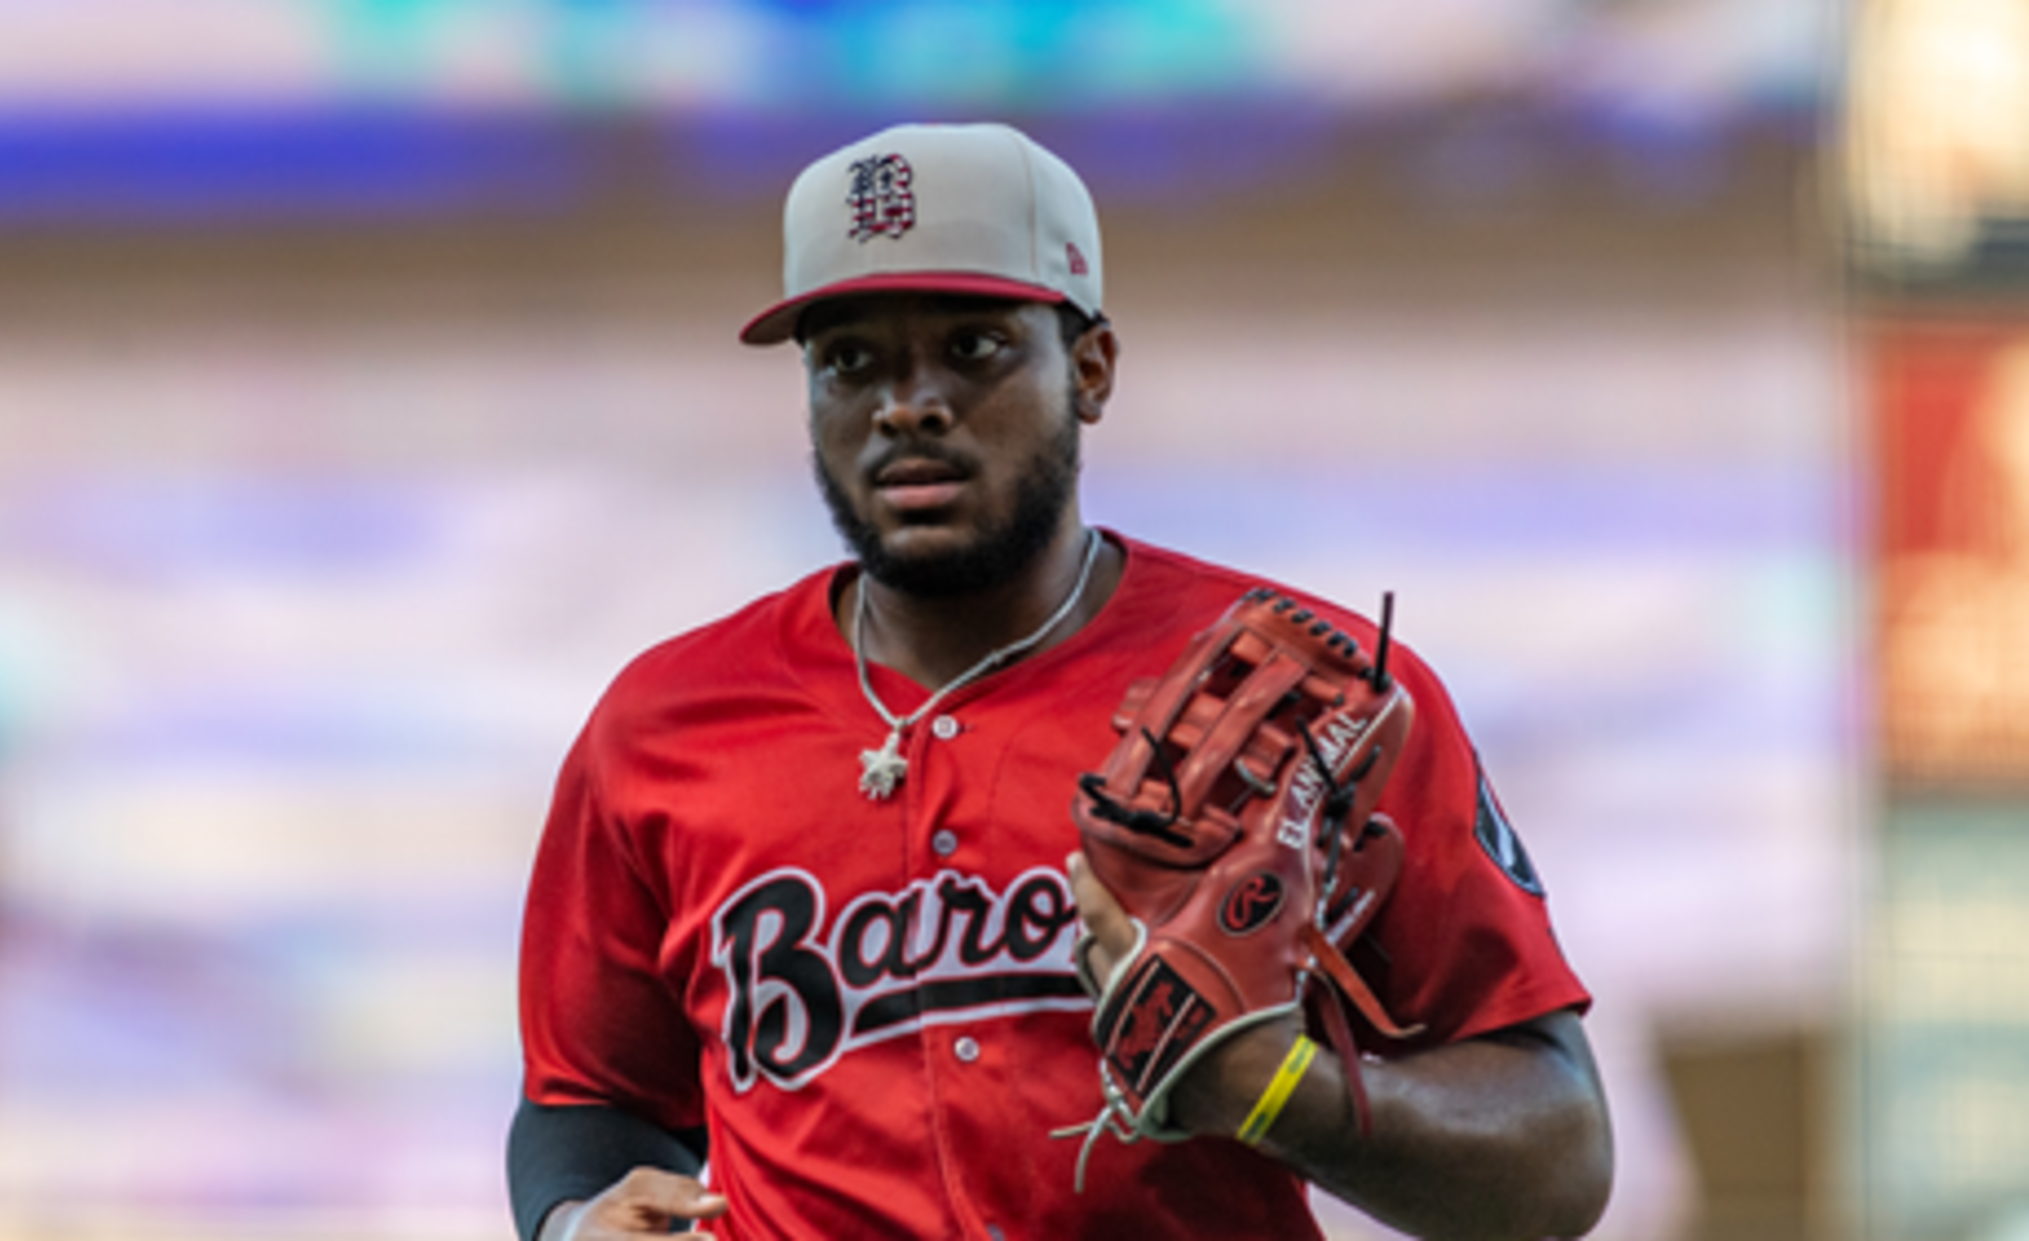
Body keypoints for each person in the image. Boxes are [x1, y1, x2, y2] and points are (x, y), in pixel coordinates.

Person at [508, 121, 1612, 1240]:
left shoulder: (1307, 702)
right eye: (850, 361)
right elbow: (586, 1098)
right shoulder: (664, 723)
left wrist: (1278, 1089)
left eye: (973, 346)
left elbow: (1557, 1157)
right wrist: (571, 1223)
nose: (906, 404)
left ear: (1091, 370)